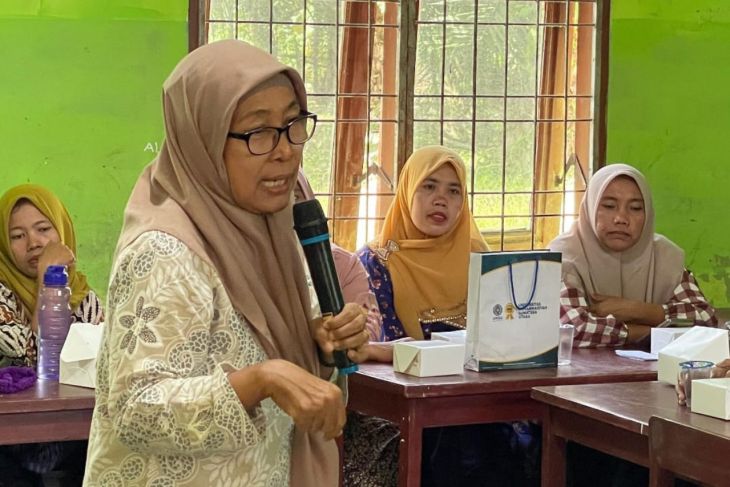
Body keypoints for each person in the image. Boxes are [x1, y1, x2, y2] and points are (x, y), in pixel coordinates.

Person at [83, 40, 369, 487]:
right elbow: (135, 411)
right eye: (259, 132)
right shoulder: (164, 251)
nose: (285, 150)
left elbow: (261, 355)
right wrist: (261, 380)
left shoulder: (275, 232)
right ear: (204, 141)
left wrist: (315, 345)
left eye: (292, 124)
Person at [345, 146, 538, 487]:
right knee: (461, 444)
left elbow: (503, 340)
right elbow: (377, 346)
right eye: (429, 186)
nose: (441, 200)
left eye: (454, 191)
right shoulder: (376, 260)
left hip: (482, 401)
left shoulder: (480, 259)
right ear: (407, 192)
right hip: (407, 404)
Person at [549, 163, 718, 348]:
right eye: (609, 206)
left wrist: (636, 310)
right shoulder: (563, 256)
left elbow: (706, 320)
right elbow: (572, 329)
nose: (621, 218)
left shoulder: (665, 256)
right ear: (590, 207)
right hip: (581, 368)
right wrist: (646, 332)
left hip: (656, 367)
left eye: (636, 208)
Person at [0, 184, 103, 486]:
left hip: (73, 432)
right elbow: (30, 358)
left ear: (62, 232)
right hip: (9, 439)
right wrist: (50, 282)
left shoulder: (83, 295)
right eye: (17, 236)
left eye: (43, 229)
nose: (34, 243)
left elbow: (102, 360)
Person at [294, 169, 382, 340]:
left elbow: (366, 336)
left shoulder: (343, 264)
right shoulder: (242, 264)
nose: (284, 208)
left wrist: (349, 332)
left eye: (296, 197)